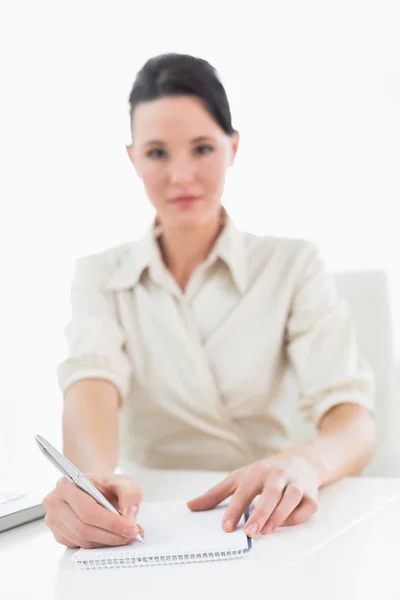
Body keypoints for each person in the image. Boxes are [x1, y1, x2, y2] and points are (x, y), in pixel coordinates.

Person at [43, 53, 376, 550]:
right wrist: (90, 481)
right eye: (157, 153)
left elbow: (352, 418)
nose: (181, 176)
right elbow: (91, 384)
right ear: (132, 158)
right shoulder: (100, 275)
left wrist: (304, 463)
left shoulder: (292, 265)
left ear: (233, 147)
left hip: (264, 515)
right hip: (147, 521)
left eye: (201, 148)